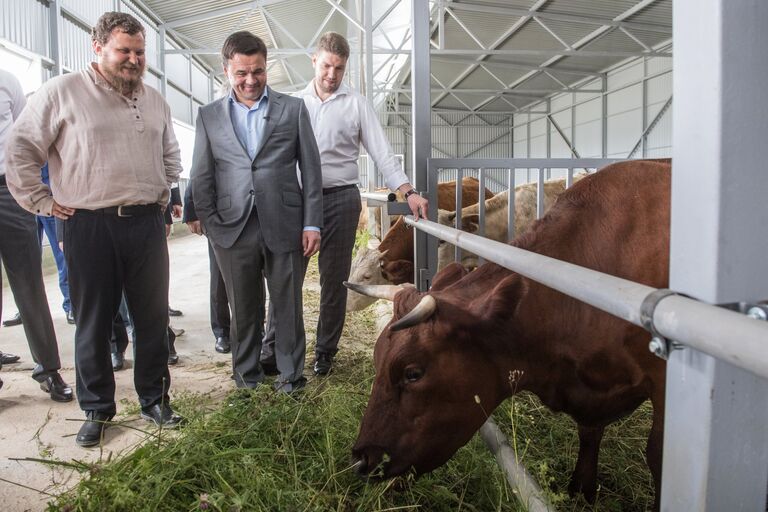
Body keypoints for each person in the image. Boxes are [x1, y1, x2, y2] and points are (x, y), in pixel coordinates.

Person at [5, 11, 184, 447]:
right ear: (97, 47)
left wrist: (162, 194)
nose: (133, 59)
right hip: (88, 224)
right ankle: (98, 409)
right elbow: (20, 150)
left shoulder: (155, 99)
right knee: (93, 321)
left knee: (152, 315)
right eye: (124, 50)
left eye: (140, 52)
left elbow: (171, 154)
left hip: (145, 224)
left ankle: (155, 399)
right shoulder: (61, 92)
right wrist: (43, 203)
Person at [261, 32, 429, 376]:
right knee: (287, 277)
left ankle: (325, 352)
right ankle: (273, 349)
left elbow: (382, 153)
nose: (331, 74)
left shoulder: (356, 103)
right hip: (298, 199)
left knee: (334, 279)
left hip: (340, 198)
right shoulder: (294, 103)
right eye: (326, 65)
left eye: (339, 68)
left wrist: (409, 191)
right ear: (314, 60)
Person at [190, 31, 323, 393]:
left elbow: (311, 170)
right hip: (233, 228)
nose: (251, 80)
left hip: (286, 224)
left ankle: (291, 378)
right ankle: (246, 381)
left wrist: (312, 223)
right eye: (241, 73)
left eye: (258, 71)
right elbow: (201, 174)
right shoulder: (209, 116)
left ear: (268, 67)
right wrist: (213, 226)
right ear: (226, 71)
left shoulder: (292, 109)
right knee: (244, 311)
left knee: (288, 307)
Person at [0, 69, 72, 401]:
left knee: (28, 282)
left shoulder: (6, 80)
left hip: (8, 190)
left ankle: (48, 369)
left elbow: (18, 136)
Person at [182, 186, 232, 355]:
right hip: (219, 217)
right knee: (219, 277)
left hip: (251, 212)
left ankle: (256, 330)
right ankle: (222, 332)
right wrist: (190, 211)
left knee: (253, 276)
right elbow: (198, 173)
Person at [37, 163, 75, 324]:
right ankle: (26, 309)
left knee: (62, 252)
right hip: (19, 196)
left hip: (49, 193)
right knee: (26, 263)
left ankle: (71, 304)